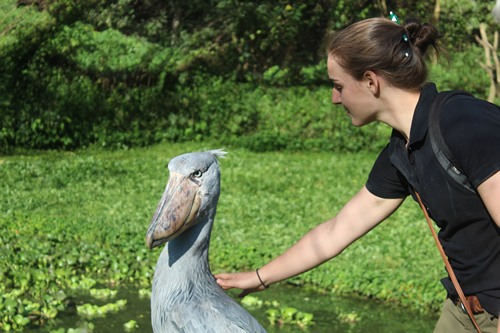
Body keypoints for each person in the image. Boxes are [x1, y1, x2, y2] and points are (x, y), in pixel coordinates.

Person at [214, 14, 500, 333]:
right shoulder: (401, 151)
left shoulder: (463, 122)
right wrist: (259, 276)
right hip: (465, 310)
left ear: (370, 81)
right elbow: (336, 230)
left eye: (338, 86)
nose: (335, 99)